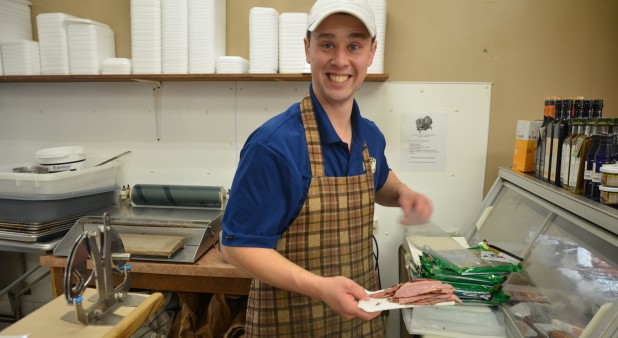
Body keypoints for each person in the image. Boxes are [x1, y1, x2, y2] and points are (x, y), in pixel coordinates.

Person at [221, 0, 433, 336]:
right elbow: (236, 246)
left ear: (371, 52)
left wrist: (404, 194)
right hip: (289, 325)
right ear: (307, 49)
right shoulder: (274, 145)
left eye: (354, 45)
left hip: (359, 324)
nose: (340, 60)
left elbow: (378, 181)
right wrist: (320, 287)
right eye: (327, 44)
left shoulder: (370, 136)